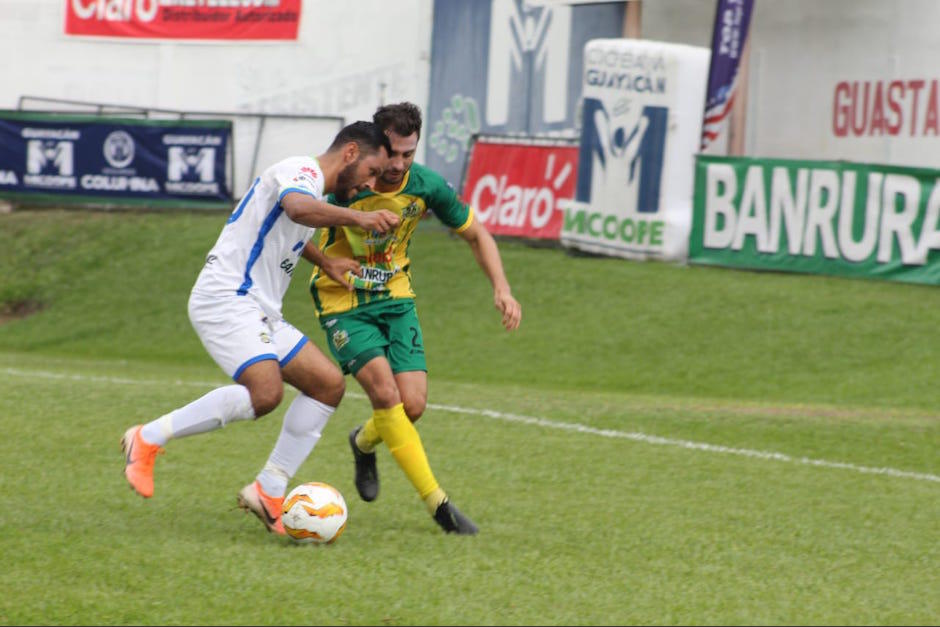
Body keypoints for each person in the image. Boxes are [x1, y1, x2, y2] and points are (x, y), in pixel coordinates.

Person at [121, 121, 400, 536]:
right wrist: (360, 219)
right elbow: (298, 209)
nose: (369, 184)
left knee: (327, 385)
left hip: (259, 309)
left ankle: (268, 489)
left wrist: (326, 262)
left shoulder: (312, 190)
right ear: (350, 153)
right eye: (372, 171)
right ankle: (147, 437)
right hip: (226, 297)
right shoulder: (301, 172)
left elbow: (291, 226)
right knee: (265, 394)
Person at [302, 102, 522, 535]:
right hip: (343, 301)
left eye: (409, 153)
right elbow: (291, 223)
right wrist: (324, 262)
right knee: (385, 394)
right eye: (393, 154)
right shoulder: (345, 182)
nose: (399, 164)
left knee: (412, 406)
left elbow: (477, 234)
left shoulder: (426, 186)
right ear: (375, 144)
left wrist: (502, 287)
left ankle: (362, 441)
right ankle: (440, 505)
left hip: (396, 299)